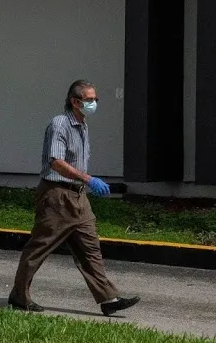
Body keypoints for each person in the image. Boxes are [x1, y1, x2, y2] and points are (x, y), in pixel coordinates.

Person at [8, 80, 140, 317]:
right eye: (90, 100)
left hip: (78, 197)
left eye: (95, 100)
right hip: (57, 195)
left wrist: (85, 184)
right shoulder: (60, 124)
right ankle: (19, 295)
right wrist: (89, 179)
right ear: (75, 101)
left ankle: (108, 298)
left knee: (90, 248)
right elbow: (56, 162)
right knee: (40, 246)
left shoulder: (83, 124)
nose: (94, 103)